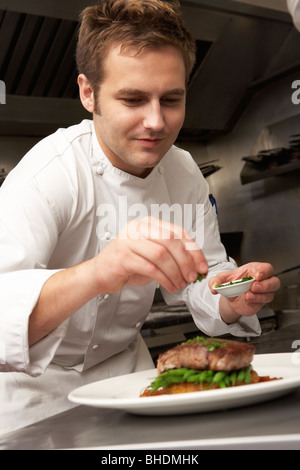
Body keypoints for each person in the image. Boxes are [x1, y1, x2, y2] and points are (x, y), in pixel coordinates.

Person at [0, 0, 280, 435]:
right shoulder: (48, 174)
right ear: (88, 92)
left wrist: (233, 295)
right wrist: (98, 272)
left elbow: (203, 277)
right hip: (31, 394)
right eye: (132, 99)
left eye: (171, 99)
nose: (156, 122)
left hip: (127, 380)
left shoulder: (184, 171)